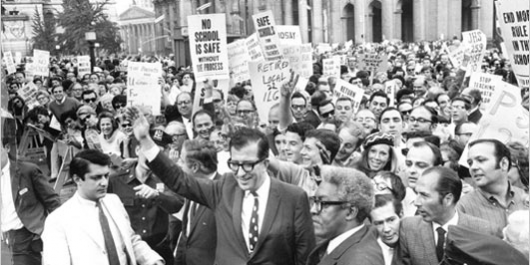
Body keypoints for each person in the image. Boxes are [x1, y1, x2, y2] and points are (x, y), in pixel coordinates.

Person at [127, 107, 315, 265]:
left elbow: (305, 256)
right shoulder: (223, 188)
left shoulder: (293, 197)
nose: (240, 173)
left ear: (265, 163)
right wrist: (145, 139)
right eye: (235, 164)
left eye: (248, 165)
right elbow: (179, 180)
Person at [42, 149, 164, 265]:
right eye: (96, 177)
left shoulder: (114, 201)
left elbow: (130, 241)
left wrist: (154, 261)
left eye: (106, 176)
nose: (104, 183)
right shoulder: (58, 221)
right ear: (77, 179)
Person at [108, 129, 184, 263]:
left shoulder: (167, 178)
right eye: (147, 151)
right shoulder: (116, 180)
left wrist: (157, 195)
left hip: (160, 249)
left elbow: (177, 204)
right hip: (130, 252)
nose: (151, 158)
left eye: (157, 153)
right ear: (137, 150)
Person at [399, 166, 497, 265]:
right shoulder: (408, 228)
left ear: (448, 199)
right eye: (417, 194)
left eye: (424, 195)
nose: (416, 202)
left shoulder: (483, 231)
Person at [1, 119, 61, 265]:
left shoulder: (27, 170)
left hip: (27, 234)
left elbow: (52, 201)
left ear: (7, 148)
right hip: (4, 239)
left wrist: (57, 231)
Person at [306, 166, 384, 265]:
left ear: (350, 212)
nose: (312, 210)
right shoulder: (343, 241)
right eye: (314, 201)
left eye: (323, 203)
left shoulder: (360, 261)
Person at [458, 139, 529, 235]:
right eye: (470, 163)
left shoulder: (525, 199)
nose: (473, 167)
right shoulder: (462, 207)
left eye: (481, 160)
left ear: (504, 163)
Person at [175, 139, 222, 265]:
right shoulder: (191, 188)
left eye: (182, 161)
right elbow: (186, 233)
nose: (179, 164)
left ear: (194, 167)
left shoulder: (224, 193)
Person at [402, 141, 443, 217]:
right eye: (408, 164)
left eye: (421, 165)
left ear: (438, 169)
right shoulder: (398, 198)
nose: (412, 170)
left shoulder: (450, 202)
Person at [369, 194, 403, 265]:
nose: (386, 229)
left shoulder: (414, 244)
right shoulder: (369, 254)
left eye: (391, 220)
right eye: (379, 223)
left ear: (401, 215)